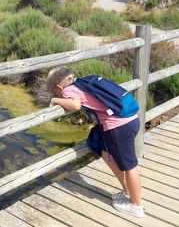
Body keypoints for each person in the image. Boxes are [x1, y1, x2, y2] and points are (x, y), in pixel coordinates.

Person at [46, 66, 144, 218]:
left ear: (59, 86)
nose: (59, 95)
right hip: (131, 120)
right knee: (103, 149)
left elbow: (75, 105)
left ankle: (136, 206)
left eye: (56, 92)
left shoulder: (68, 90)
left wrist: (54, 99)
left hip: (118, 128)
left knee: (129, 166)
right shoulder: (84, 81)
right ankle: (127, 193)